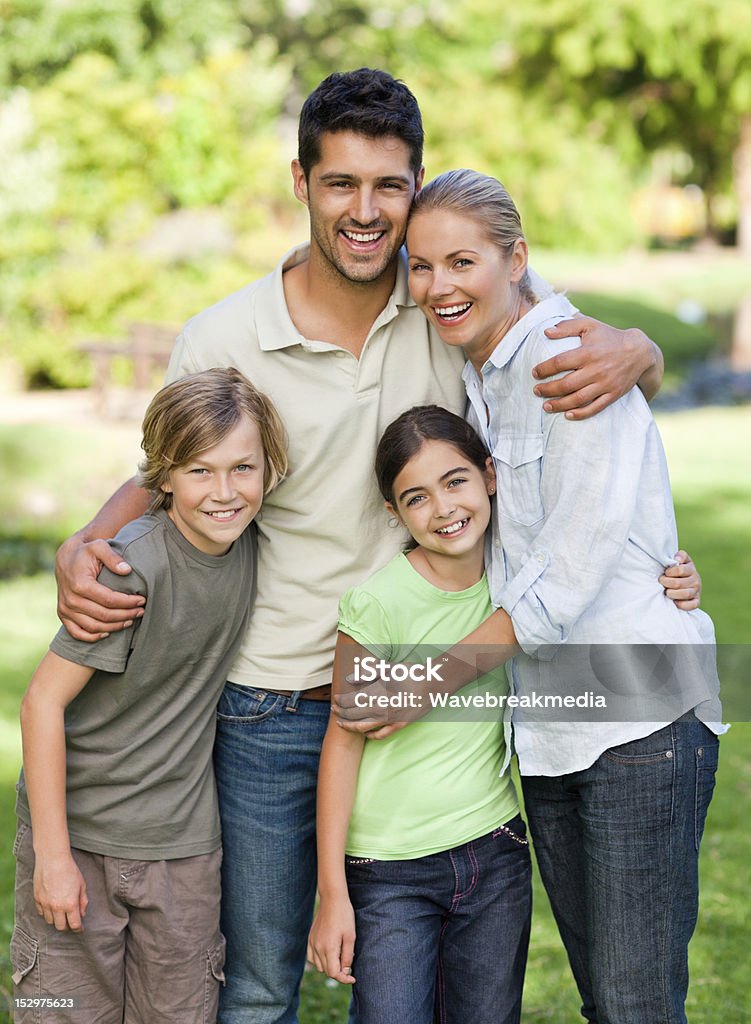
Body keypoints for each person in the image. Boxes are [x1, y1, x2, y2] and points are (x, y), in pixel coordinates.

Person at [52, 70, 701, 1024]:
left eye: (388, 186)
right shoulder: (225, 335)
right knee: (263, 982)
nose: (364, 212)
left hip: (444, 700)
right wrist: (88, 540)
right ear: (301, 182)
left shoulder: (444, 303)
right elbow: (168, 470)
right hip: (272, 708)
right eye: (339, 184)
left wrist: (638, 348)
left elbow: (557, 343)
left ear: (416, 186)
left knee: (476, 974)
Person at [398, 168, 725, 1024]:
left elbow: (570, 573)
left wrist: (427, 681)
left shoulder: (564, 360)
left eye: (461, 261)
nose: (438, 286)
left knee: (634, 1006)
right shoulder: (483, 366)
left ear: (516, 258)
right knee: (607, 1004)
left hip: (638, 725)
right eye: (421, 266)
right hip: (551, 730)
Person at [12, 369, 287, 1024]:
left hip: (184, 847)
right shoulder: (130, 570)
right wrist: (53, 859)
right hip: (82, 839)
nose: (224, 493)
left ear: (269, 469)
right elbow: (40, 703)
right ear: (163, 479)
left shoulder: (252, 542)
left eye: (242, 468)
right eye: (199, 471)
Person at [308, 406, 530, 1024]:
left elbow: (591, 582)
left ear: (489, 476)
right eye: (416, 497)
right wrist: (333, 894)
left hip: (494, 850)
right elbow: (342, 742)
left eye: (455, 481)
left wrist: (673, 580)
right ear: (395, 513)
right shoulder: (379, 603)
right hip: (387, 871)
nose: (443, 509)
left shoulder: (516, 578)